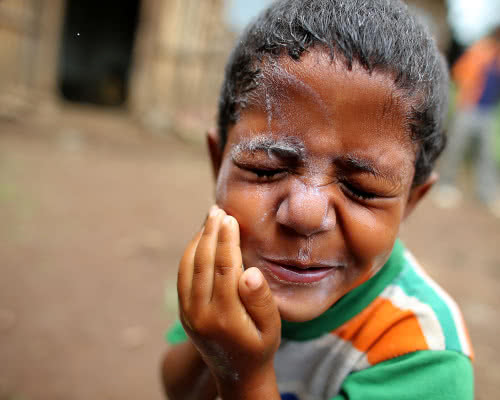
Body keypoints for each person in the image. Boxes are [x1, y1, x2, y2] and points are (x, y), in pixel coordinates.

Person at [161, 0, 474, 399]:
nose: (306, 215)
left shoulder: (423, 355)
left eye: (362, 190)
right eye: (265, 169)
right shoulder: (226, 267)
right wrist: (212, 345)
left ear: (411, 201)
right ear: (216, 161)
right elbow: (178, 390)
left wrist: (244, 373)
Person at [436, 27, 500, 214]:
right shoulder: (480, 51)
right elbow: (459, 71)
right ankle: (445, 185)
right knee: (456, 147)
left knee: (486, 154)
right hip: (469, 108)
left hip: (487, 112)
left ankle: (486, 193)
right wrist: (470, 88)